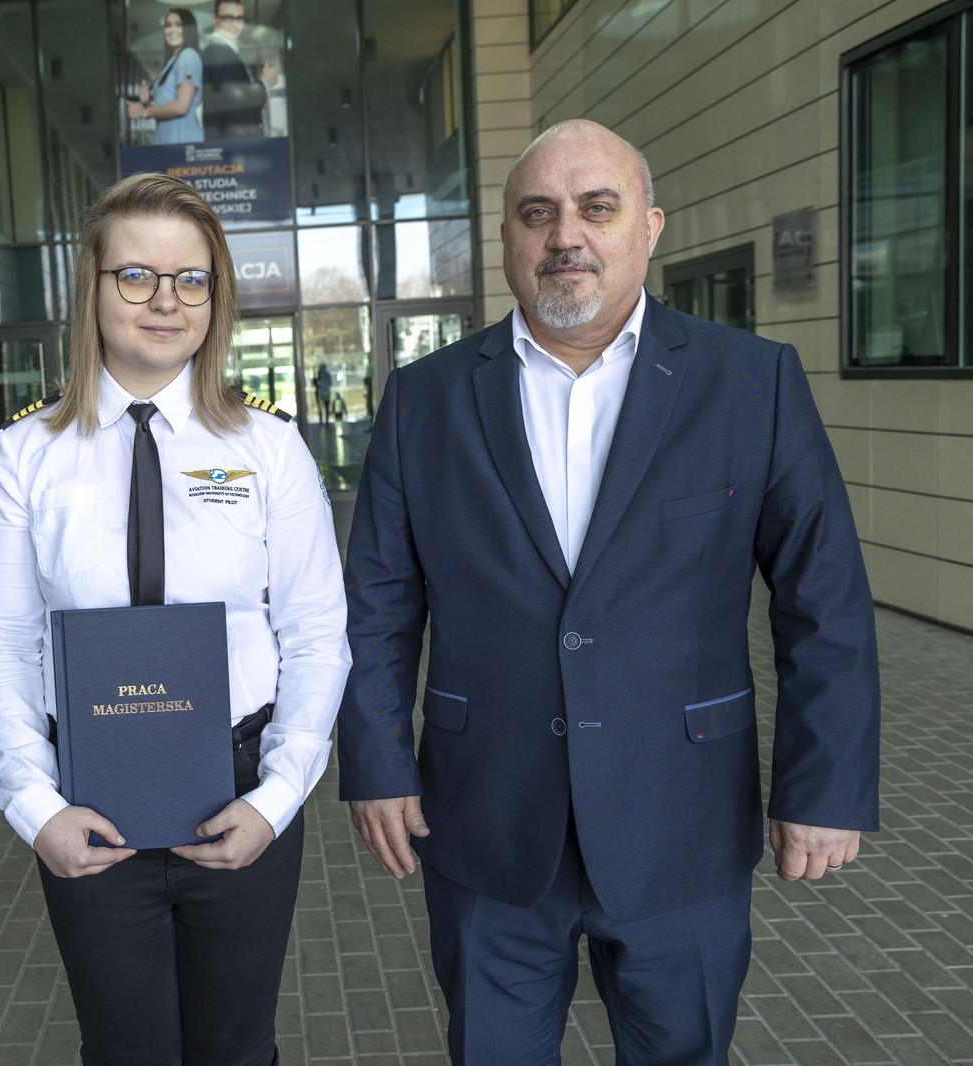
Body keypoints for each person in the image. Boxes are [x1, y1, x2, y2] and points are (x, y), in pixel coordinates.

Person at [337, 119, 881, 1063]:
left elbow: (823, 599)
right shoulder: (424, 398)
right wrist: (376, 763)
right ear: (506, 238)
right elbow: (376, 604)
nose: (566, 236)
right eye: (536, 213)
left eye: (597, 208)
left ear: (650, 227)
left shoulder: (752, 383)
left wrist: (825, 784)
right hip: (488, 822)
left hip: (684, 822)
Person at [0, 172, 350, 1066]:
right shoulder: (26, 455)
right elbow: (0, 641)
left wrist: (277, 799)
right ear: (92, 290)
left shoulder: (268, 447)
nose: (166, 301)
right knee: (123, 1049)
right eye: (136, 276)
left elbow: (315, 634)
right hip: (86, 798)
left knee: (238, 1048)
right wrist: (33, 805)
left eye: (192, 279)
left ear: (217, 296)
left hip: (241, 790)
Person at [202, 0, 278, 140]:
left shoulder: (224, 51)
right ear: (215, 19)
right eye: (228, 18)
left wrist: (260, 97)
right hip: (231, 144)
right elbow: (230, 97)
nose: (234, 24)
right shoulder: (218, 50)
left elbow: (228, 100)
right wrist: (264, 85)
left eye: (239, 18)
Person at [128, 8, 203, 145]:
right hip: (168, 138)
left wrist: (144, 112)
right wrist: (147, 102)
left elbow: (182, 107)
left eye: (178, 25)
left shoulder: (188, 56)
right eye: (168, 25)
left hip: (183, 138)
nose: (172, 30)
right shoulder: (172, 61)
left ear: (188, 29)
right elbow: (166, 107)